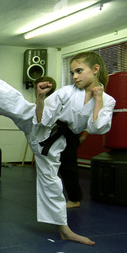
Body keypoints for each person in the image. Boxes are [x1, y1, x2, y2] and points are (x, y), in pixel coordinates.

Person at [0, 49, 116, 245]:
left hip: (55, 142)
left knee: (51, 181)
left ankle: (64, 231)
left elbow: (97, 127)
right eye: (72, 73)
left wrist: (98, 98)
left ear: (96, 69)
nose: (74, 77)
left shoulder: (108, 101)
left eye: (79, 71)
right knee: (12, 99)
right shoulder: (66, 92)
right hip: (38, 122)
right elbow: (41, 119)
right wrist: (39, 98)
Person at [33, 76, 86, 209]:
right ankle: (54, 198)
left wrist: (83, 135)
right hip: (57, 135)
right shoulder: (44, 100)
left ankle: (74, 199)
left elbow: (82, 115)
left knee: (68, 167)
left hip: (66, 133)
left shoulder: (60, 98)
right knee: (52, 167)